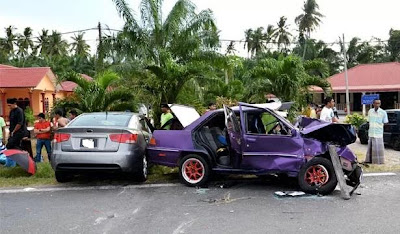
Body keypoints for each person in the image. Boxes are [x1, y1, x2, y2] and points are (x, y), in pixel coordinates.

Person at [365, 99, 388, 164]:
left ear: (380, 104)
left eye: (378, 103)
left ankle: (379, 161)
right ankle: (369, 160)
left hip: (379, 133)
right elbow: (368, 121)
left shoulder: (383, 112)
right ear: (373, 104)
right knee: (370, 148)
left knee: (378, 148)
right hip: (371, 132)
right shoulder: (370, 111)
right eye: (376, 103)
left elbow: (385, 122)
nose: (377, 105)